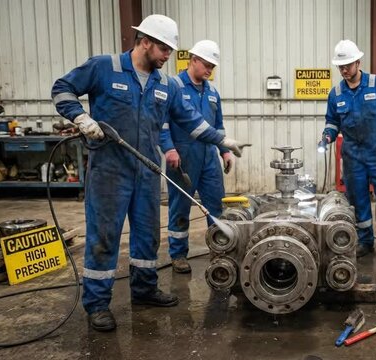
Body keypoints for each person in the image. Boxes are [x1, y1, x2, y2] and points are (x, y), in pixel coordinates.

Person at [51, 14, 249, 332]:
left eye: (170, 51)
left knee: (147, 236)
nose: (168, 56)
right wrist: (81, 117)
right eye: (164, 50)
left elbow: (190, 121)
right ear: (145, 42)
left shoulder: (164, 85)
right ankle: (97, 305)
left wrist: (222, 140)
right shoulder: (105, 67)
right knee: (104, 239)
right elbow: (62, 88)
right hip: (109, 172)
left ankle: (144, 290)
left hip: (144, 171)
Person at [320, 40, 376, 258]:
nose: (344, 70)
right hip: (352, 156)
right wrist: (327, 135)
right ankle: (366, 241)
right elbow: (332, 121)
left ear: (358, 62)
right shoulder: (336, 93)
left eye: (348, 65)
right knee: (357, 199)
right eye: (340, 67)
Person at [160, 40, 233, 273]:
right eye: (207, 65)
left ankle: (219, 249)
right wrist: (169, 148)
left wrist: (225, 150)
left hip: (209, 158)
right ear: (193, 60)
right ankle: (178, 254)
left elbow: (218, 126)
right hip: (183, 156)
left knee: (217, 206)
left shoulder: (212, 92)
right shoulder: (174, 86)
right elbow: (163, 123)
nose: (210, 71)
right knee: (180, 207)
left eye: (213, 67)